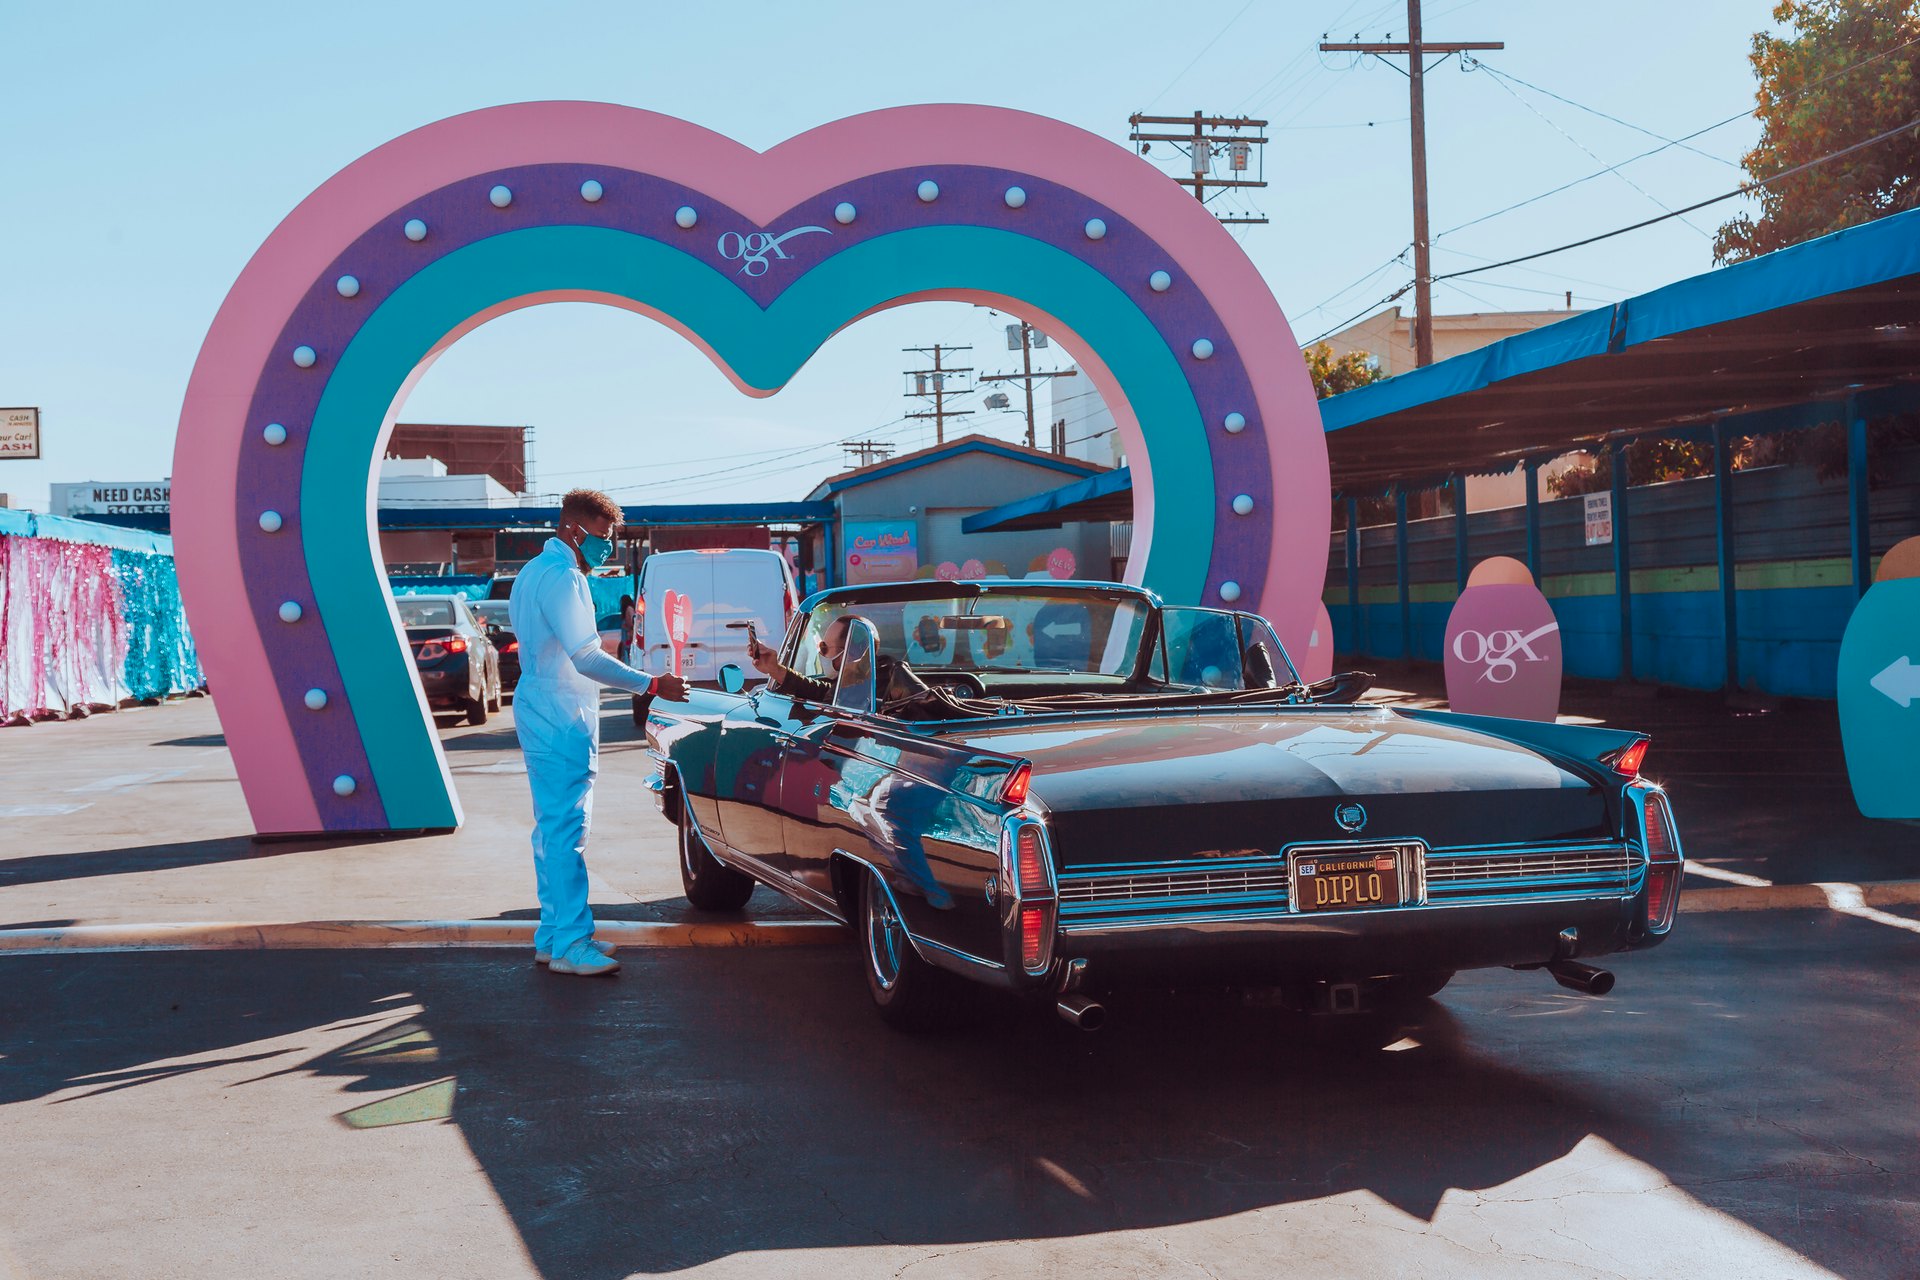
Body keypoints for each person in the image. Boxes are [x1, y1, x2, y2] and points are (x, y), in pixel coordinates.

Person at [509, 489, 687, 977]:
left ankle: (553, 935)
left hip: (541, 704)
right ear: (575, 530)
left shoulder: (533, 572)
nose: (607, 547)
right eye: (603, 536)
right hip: (560, 712)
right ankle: (571, 943)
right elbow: (586, 656)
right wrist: (652, 684)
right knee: (567, 829)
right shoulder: (564, 577)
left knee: (552, 828)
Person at [746, 613, 930, 707]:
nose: (821, 654)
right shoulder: (857, 682)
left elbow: (829, 701)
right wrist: (775, 669)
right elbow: (825, 692)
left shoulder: (871, 685)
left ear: (851, 652)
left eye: (824, 648)